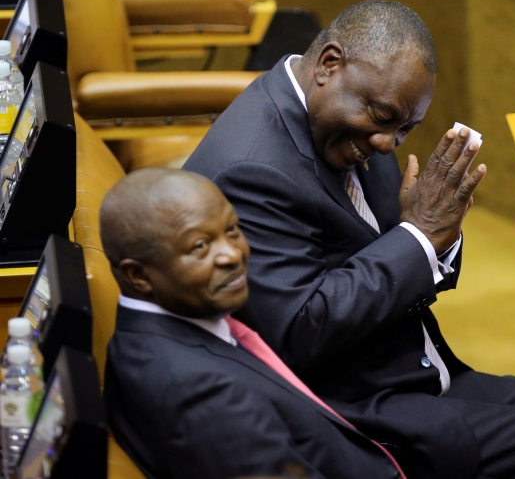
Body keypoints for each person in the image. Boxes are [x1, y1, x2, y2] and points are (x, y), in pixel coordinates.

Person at [184, 0, 515, 479]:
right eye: (384, 118)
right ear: (329, 65)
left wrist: (437, 237)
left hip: (394, 364)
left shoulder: (351, 121)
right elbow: (297, 333)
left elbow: (400, 246)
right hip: (332, 407)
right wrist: (419, 237)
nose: (387, 143)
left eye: (405, 129)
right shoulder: (254, 169)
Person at [100, 168, 406, 479]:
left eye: (232, 229)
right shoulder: (205, 395)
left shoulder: (150, 331)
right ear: (138, 276)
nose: (233, 254)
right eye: (200, 246)